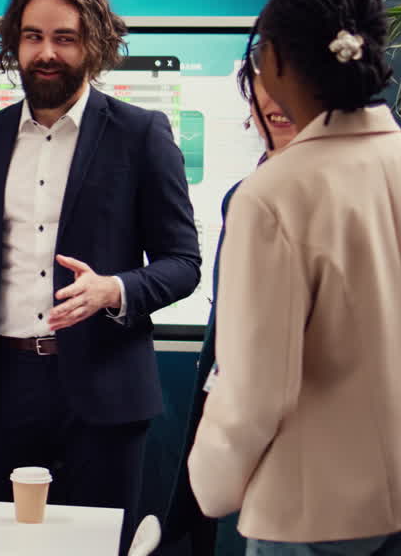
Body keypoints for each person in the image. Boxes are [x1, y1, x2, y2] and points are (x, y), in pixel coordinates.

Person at [189, 0, 401, 555]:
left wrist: (211, 487)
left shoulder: (273, 194)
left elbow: (253, 392)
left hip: (312, 507)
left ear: (272, 61)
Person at [0, 0, 201, 550]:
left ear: (94, 45)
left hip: (104, 389)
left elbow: (183, 261)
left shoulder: (141, 134)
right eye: (32, 36)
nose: (46, 52)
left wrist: (113, 289)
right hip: (2, 389)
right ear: (12, 45)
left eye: (64, 38)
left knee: (93, 547)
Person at [164, 75, 297, 555]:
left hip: (288, 454)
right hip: (224, 405)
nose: (277, 104)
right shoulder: (246, 190)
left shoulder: (314, 191)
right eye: (266, 84)